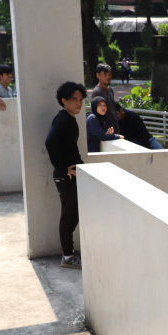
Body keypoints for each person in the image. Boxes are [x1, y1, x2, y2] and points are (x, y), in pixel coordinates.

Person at [45, 81, 87, 269]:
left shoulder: (69, 119)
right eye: (74, 100)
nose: (78, 103)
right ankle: (68, 257)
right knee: (68, 217)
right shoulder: (62, 119)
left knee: (72, 215)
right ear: (64, 101)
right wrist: (63, 169)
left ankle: (69, 253)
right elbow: (49, 143)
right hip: (66, 177)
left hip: (72, 175)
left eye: (80, 100)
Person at [90, 63, 120, 136]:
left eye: (109, 74)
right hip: (106, 132)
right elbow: (96, 114)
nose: (108, 76)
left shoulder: (110, 90)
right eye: (105, 74)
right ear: (98, 75)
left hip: (115, 129)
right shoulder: (97, 92)